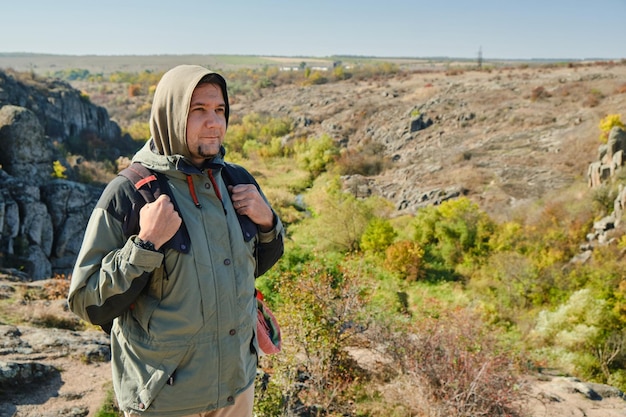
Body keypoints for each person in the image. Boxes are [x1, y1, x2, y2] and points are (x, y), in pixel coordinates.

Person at [68, 64, 284, 417]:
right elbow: (85, 301)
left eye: (220, 110)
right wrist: (145, 245)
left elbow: (254, 266)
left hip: (236, 388)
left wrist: (268, 222)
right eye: (198, 111)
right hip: (165, 402)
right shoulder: (129, 194)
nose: (214, 122)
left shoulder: (236, 181)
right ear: (171, 115)